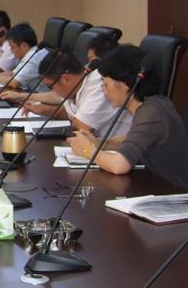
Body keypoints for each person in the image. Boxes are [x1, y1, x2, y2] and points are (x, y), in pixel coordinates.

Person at [68, 45, 188, 190]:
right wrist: (102, 144)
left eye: (105, 84)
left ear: (124, 84)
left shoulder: (152, 111)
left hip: (176, 193)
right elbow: (135, 139)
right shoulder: (153, 104)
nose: (103, 91)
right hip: (157, 186)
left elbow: (119, 166)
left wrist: (87, 150)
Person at [17, 50, 132, 136]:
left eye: (50, 86)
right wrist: (42, 109)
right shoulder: (77, 86)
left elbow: (83, 127)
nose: (53, 91)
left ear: (65, 79)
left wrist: (75, 119)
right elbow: (68, 114)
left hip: (124, 152)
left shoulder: (98, 82)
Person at [0, 22, 49, 92]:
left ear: (23, 46)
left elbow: (14, 82)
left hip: (41, 97)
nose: (11, 51)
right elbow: (12, 74)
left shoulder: (33, 57)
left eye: (12, 47)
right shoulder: (31, 53)